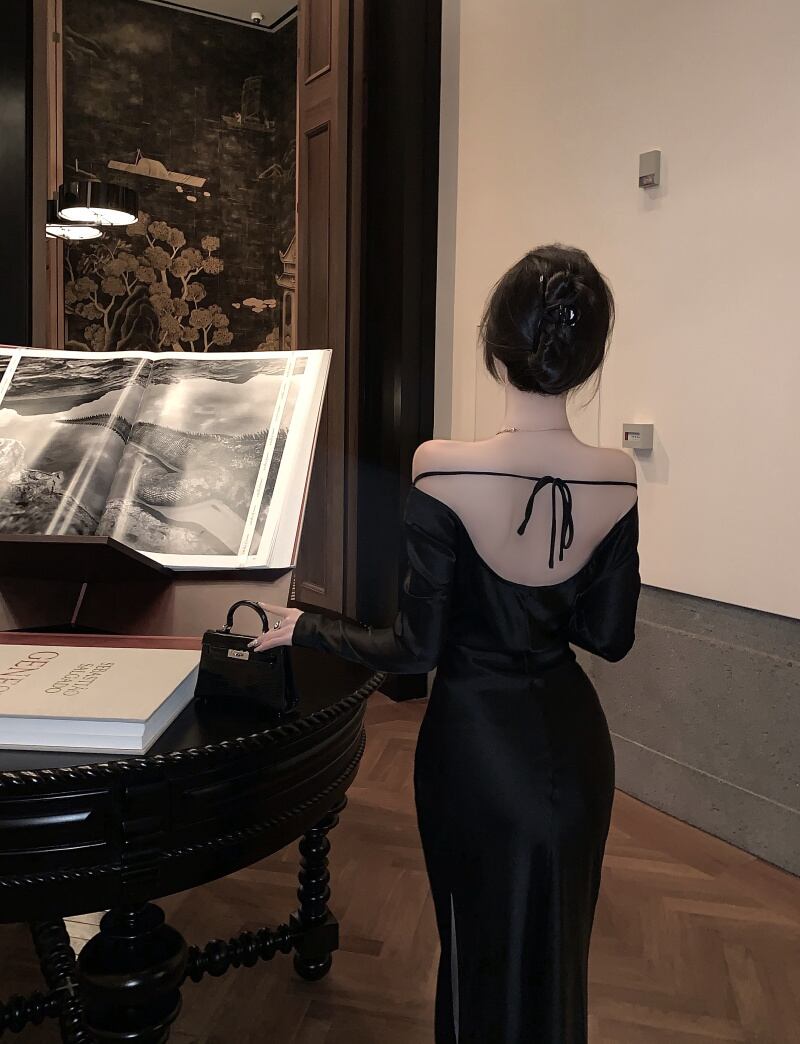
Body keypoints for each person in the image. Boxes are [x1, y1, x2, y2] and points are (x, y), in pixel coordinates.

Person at [252, 243, 641, 1044]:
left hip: (475, 747)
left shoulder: (442, 466)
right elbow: (609, 637)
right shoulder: (618, 474)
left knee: (474, 951)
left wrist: (308, 627)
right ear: (588, 358)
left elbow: (415, 647)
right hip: (576, 749)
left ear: (495, 346)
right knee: (558, 955)